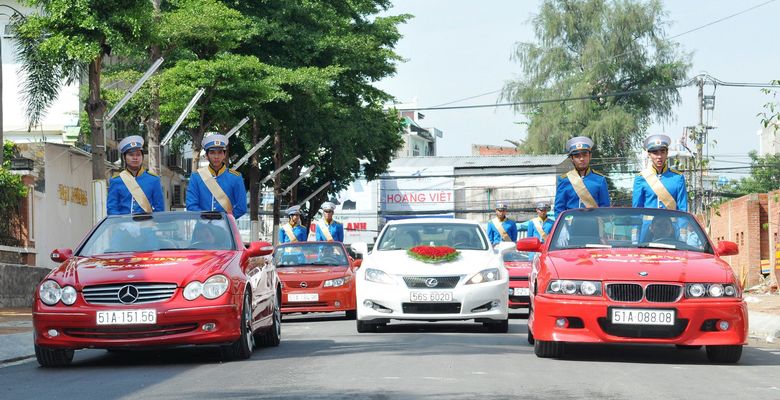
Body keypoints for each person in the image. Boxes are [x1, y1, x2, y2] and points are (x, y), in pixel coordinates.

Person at [186, 133, 247, 219]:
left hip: (225, 228)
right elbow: (191, 206)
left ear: (224, 155)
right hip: (202, 228)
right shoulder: (196, 177)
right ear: (206, 156)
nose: (216, 156)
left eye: (220, 152)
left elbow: (241, 208)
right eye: (212, 153)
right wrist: (207, 218)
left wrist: (224, 220)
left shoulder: (235, 177)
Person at [107, 135, 164, 215]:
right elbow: (112, 208)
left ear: (142, 157)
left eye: (138, 155)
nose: (135, 158)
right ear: (124, 158)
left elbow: (159, 209)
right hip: (123, 225)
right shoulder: (116, 181)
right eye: (131, 155)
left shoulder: (154, 180)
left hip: (146, 225)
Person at [554, 136, 611, 215]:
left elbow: (605, 209)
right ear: (571, 158)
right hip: (571, 226)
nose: (581, 159)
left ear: (590, 156)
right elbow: (559, 209)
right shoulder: (564, 180)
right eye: (577, 156)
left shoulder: (599, 180)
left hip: (593, 225)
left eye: (584, 155)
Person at [632, 134, 688, 212]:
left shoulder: (678, 177)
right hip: (649, 224)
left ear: (667, 153)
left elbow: (682, 209)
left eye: (662, 152)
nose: (659, 156)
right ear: (649, 154)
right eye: (655, 153)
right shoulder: (641, 178)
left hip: (671, 224)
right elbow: (637, 210)